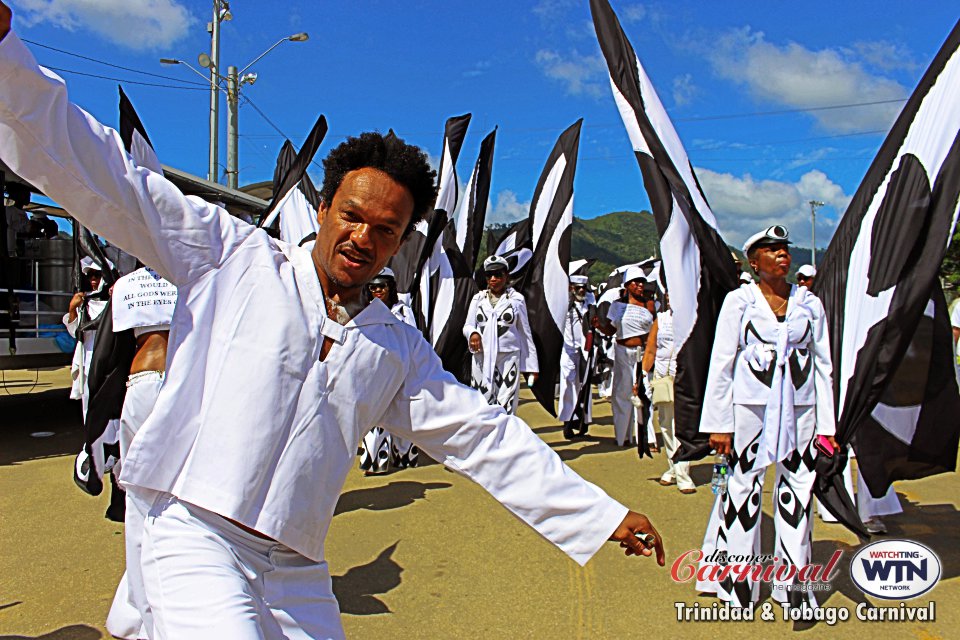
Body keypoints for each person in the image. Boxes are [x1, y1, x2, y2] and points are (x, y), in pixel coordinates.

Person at [0, 12, 663, 638]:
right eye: (351, 215)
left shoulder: (395, 347)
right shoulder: (230, 256)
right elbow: (104, 175)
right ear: (323, 207)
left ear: (402, 240)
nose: (361, 238)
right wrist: (7, 64)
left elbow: (483, 437)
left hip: (296, 567)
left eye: (385, 230)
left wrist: (598, 514)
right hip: (193, 532)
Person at [697, 225, 837, 609]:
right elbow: (721, 363)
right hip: (749, 410)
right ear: (753, 261)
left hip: (801, 410)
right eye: (771, 250)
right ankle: (738, 587)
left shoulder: (809, 303)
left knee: (799, 491)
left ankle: (793, 587)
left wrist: (828, 427)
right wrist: (719, 424)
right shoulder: (739, 302)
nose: (782, 255)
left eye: (784, 250)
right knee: (742, 491)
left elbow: (824, 366)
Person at [105, 265, 177, 640]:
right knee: (178, 501)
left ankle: (136, 608)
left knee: (137, 500)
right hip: (176, 385)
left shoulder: (126, 286)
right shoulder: (190, 275)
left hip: (139, 384)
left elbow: (108, 354)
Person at [359, 267, 419, 473]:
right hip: (374, 371)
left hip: (399, 369)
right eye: (373, 287)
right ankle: (375, 460)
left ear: (390, 288)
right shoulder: (364, 311)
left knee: (402, 411)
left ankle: (403, 455)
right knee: (375, 415)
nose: (377, 291)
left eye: (381, 287)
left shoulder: (402, 311)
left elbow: (413, 339)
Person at [464, 255, 539, 414]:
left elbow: (524, 333)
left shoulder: (516, 300)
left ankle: (504, 438)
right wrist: (473, 333)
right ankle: (484, 438)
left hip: (508, 358)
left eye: (498, 274)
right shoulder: (478, 299)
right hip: (481, 358)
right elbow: (468, 325)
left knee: (506, 403)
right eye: (489, 275)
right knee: (481, 403)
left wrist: (531, 366)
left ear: (506, 276)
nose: (493, 279)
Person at [641, 292, 694, 494]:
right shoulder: (660, 319)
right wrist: (642, 375)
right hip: (663, 378)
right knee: (666, 424)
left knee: (682, 425)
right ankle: (674, 467)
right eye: (670, 295)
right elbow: (651, 349)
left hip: (685, 378)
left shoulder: (693, 318)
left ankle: (682, 473)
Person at [597, 266, 653, 446]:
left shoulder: (649, 305)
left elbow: (654, 332)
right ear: (627, 285)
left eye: (642, 282)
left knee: (644, 393)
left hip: (642, 353)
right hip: (622, 352)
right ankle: (623, 437)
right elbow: (611, 329)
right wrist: (598, 326)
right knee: (621, 393)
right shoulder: (617, 306)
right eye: (636, 282)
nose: (640, 286)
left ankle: (646, 438)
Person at [63, 256, 109, 419]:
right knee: (89, 405)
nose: (94, 280)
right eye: (90, 276)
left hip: (109, 361)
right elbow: (74, 331)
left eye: (97, 275)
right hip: (88, 359)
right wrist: (73, 308)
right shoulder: (84, 301)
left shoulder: (114, 300)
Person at [559, 274, 595, 439]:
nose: (581, 290)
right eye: (577, 287)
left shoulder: (590, 302)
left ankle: (583, 421)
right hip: (568, 349)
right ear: (571, 288)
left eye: (583, 288)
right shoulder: (564, 304)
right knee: (568, 383)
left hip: (586, 348)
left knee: (584, 384)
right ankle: (567, 421)